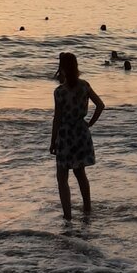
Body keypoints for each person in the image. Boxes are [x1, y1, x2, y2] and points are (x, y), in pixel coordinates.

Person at [50, 52, 104, 221]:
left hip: (65, 135)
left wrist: (53, 141)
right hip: (81, 133)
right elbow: (100, 105)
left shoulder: (59, 92)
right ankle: (87, 209)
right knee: (81, 174)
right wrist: (89, 123)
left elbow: (57, 118)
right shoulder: (84, 86)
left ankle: (68, 217)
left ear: (63, 69)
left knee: (62, 177)